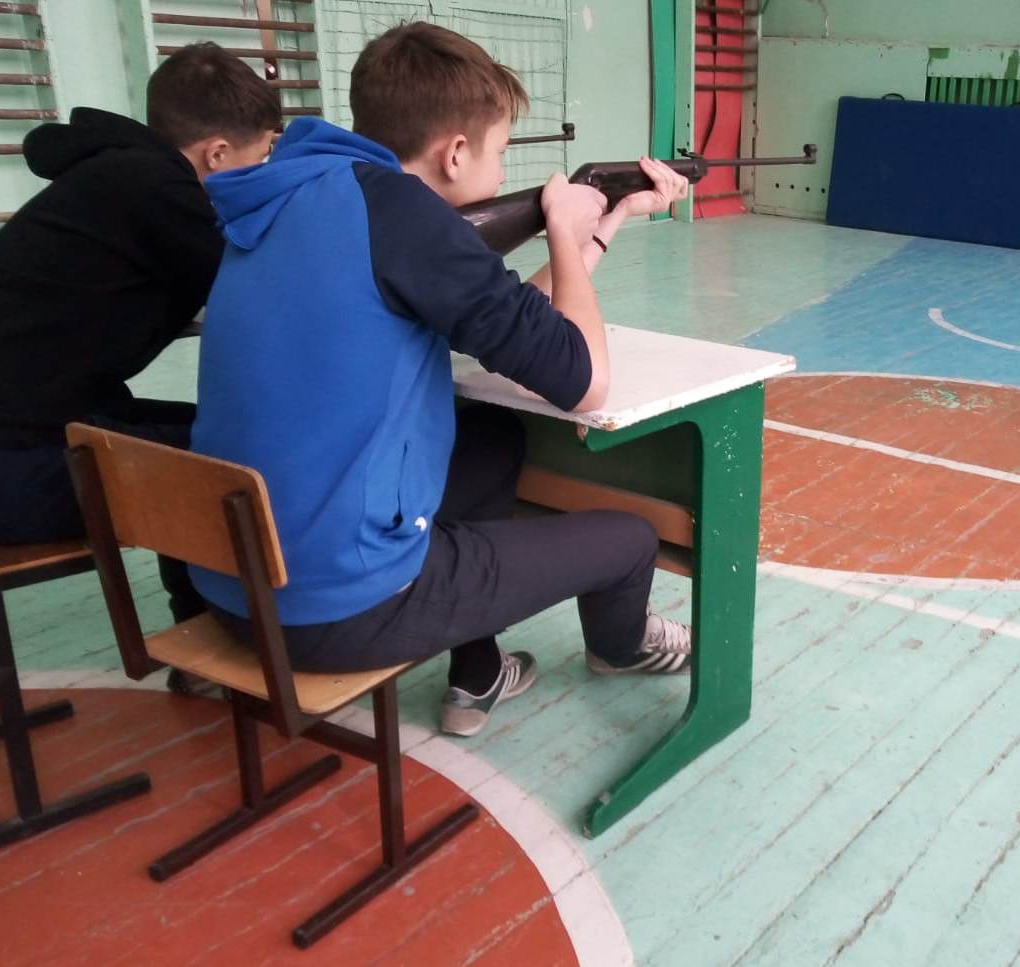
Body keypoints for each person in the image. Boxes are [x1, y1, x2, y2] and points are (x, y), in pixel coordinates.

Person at [190, 22, 693, 737]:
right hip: (333, 610)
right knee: (632, 540)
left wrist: (603, 225)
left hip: (230, 575)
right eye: (500, 151)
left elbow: (516, 327)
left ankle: (477, 671)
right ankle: (620, 648)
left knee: (491, 439)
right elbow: (585, 379)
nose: (502, 170)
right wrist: (560, 229)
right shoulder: (410, 221)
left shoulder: (304, 191)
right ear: (455, 153)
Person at [0, 43, 280, 641]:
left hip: (15, 436)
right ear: (217, 153)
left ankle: (199, 623)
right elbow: (268, 290)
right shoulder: (158, 190)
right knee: (236, 463)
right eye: (261, 156)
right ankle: (216, 639)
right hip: (8, 471)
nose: (264, 172)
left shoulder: (115, 174)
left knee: (211, 433)